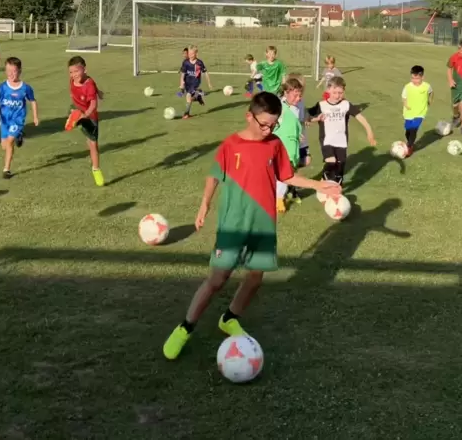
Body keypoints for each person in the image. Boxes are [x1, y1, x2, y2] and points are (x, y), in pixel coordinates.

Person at [161, 92, 342, 360]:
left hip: (263, 225)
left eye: (274, 124)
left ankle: (230, 317)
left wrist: (319, 184)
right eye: (264, 124)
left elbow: (288, 175)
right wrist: (204, 206)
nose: (269, 129)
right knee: (217, 279)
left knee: (256, 277)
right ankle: (185, 327)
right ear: (249, 116)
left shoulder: (274, 145)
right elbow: (213, 177)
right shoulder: (231, 145)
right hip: (233, 225)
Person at [307, 76, 376, 186]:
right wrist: (312, 120)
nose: (337, 96)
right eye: (334, 92)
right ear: (328, 90)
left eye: (340, 93)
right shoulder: (321, 105)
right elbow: (306, 115)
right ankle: (322, 184)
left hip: (341, 142)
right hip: (327, 140)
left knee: (339, 171)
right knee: (331, 162)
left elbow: (360, 117)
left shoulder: (346, 105)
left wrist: (369, 131)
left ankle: (334, 189)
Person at [0, 57, 39, 179]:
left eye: (14, 71)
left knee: (9, 142)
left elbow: (32, 101)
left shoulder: (25, 88)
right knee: (4, 146)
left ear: (20, 71)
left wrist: (35, 117)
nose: (11, 74)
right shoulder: (2, 87)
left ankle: (6, 169)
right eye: (8, 70)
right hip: (4, 120)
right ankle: (19, 136)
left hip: (17, 119)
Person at [64, 55, 105, 187]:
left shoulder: (89, 85)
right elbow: (92, 81)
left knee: (91, 144)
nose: (74, 75)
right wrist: (99, 91)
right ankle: (73, 118)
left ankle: (96, 169)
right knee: (93, 145)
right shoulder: (73, 80)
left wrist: (85, 114)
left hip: (89, 116)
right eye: (71, 72)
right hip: (80, 112)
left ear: (84, 70)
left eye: (76, 71)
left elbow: (93, 105)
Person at [274, 76, 304, 212]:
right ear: (286, 93)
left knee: (285, 175)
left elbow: (293, 124)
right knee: (283, 175)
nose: (298, 98)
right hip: (281, 147)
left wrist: (298, 134)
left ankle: (279, 197)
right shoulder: (280, 107)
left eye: (300, 95)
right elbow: (273, 124)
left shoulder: (295, 109)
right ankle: (277, 199)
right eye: (295, 95)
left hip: (292, 148)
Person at [401, 65, 433, 157]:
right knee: (408, 130)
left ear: (422, 77)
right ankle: (410, 142)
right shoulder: (407, 87)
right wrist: (406, 104)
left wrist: (429, 101)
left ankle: (409, 147)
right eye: (412, 78)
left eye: (417, 79)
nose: (414, 81)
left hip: (420, 112)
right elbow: (404, 97)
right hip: (408, 112)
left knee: (414, 129)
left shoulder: (427, 86)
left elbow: (431, 92)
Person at [179, 45, 212, 118]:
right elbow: (183, 73)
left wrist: (209, 83)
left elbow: (205, 72)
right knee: (189, 98)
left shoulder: (199, 63)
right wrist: (181, 83)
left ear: (196, 53)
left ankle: (186, 114)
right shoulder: (185, 62)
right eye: (189, 54)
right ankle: (197, 97)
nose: (190, 55)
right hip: (187, 82)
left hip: (195, 82)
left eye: (192, 54)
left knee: (188, 96)